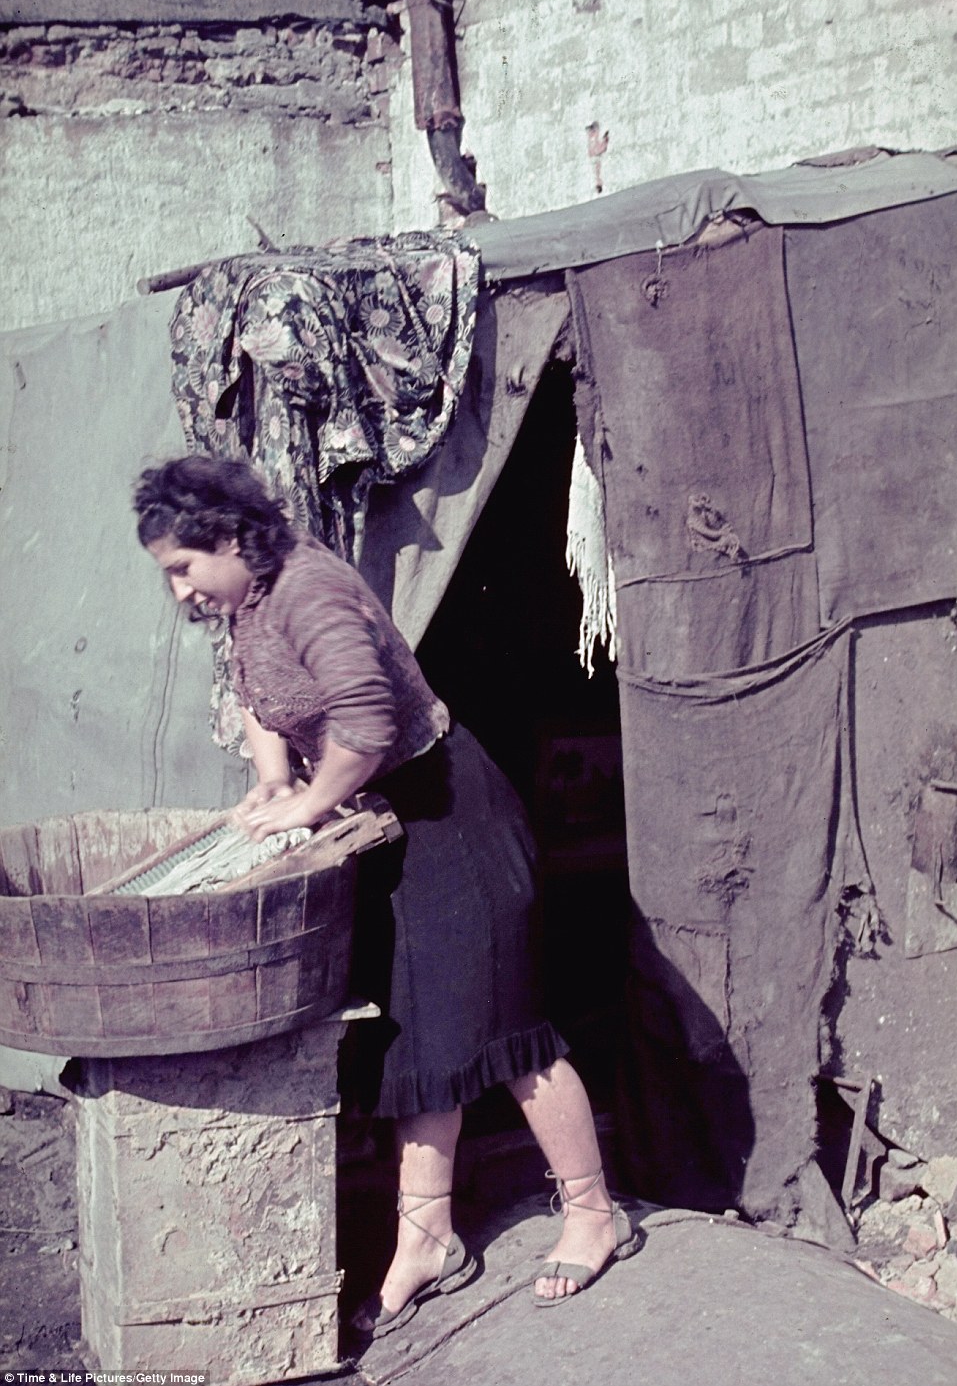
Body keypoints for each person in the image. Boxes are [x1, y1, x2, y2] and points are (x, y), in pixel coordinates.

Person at [133, 453, 640, 1337]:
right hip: (396, 827)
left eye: (183, 566)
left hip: (453, 816)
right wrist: (271, 782)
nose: (179, 590)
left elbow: (367, 721)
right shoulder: (250, 603)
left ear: (223, 536)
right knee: (424, 1032)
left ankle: (596, 1213)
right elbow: (260, 696)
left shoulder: (311, 588)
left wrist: (309, 804)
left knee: (506, 1029)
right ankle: (428, 1237)